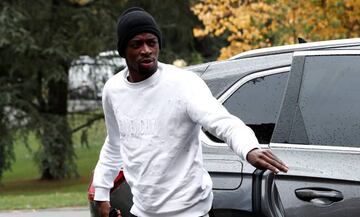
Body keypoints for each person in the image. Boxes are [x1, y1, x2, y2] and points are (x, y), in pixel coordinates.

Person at [93, 7, 288, 217]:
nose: (146, 50)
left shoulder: (183, 84)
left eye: (152, 42)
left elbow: (223, 122)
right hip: (143, 211)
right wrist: (101, 193)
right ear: (123, 51)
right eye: (136, 44)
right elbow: (114, 144)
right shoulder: (113, 90)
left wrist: (249, 148)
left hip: (190, 211)